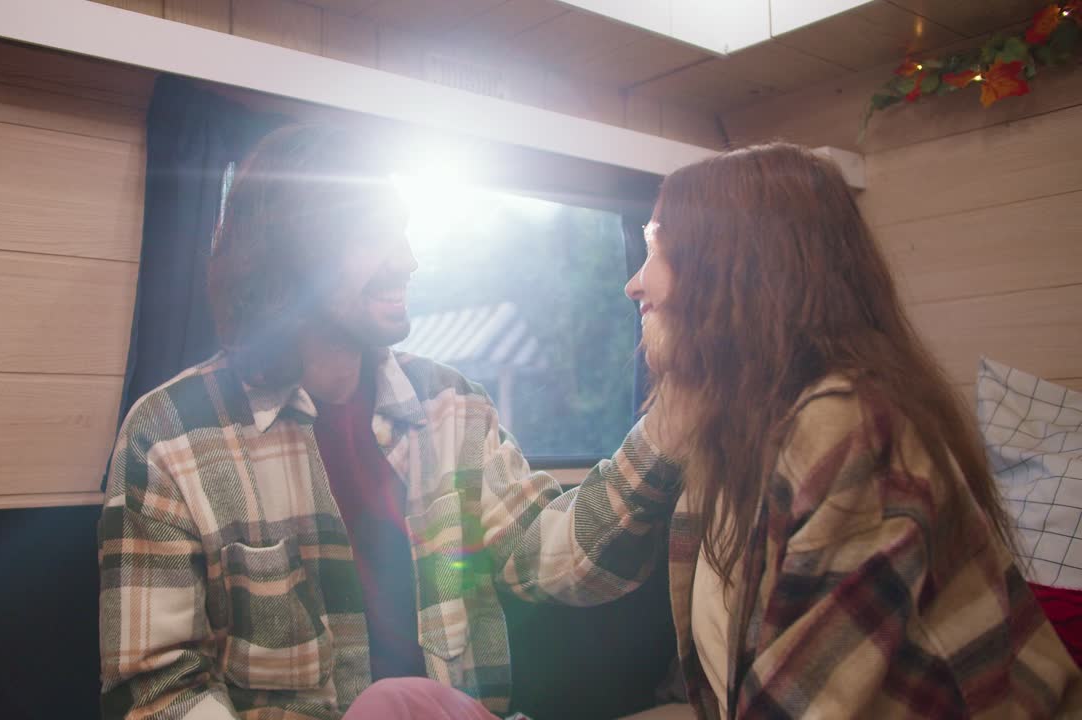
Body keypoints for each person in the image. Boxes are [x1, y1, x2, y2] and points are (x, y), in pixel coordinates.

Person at [97, 123, 680, 720]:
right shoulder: (167, 437)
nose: (407, 259)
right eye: (373, 233)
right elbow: (158, 693)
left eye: (401, 231)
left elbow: (548, 556)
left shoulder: (453, 405)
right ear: (289, 253)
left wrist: (670, 427)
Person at [508, 142, 1082, 718]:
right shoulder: (722, 423)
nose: (634, 282)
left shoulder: (847, 427)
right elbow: (556, 563)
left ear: (735, 268)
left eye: (658, 247)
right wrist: (670, 415)